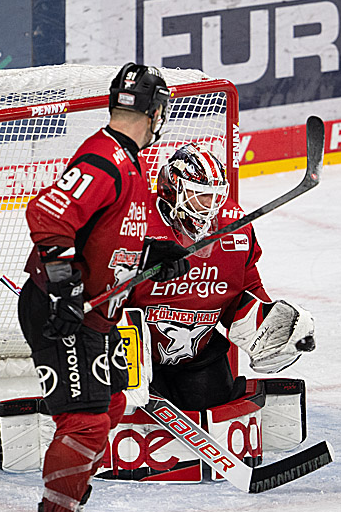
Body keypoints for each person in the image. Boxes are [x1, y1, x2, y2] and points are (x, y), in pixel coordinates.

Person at [18, 62, 191, 512]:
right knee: (86, 423)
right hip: (61, 313)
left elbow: (109, 234)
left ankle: (68, 510)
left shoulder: (132, 161)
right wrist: (68, 288)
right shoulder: (105, 158)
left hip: (94, 314)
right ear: (156, 111)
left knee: (109, 408)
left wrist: (153, 250)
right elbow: (47, 218)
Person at [128, 141, 316, 412]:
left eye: (217, 195)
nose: (211, 205)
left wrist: (274, 325)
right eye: (200, 194)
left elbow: (245, 285)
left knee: (217, 407)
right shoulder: (135, 221)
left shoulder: (235, 227)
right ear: (173, 190)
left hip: (198, 354)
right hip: (132, 356)